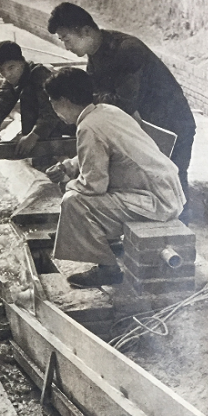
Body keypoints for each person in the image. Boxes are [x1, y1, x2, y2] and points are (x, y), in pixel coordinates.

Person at [47, 2, 196, 215]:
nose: (66, 46)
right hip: (142, 128)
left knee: (173, 186)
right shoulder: (95, 57)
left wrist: (82, 98)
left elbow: (124, 104)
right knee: (144, 189)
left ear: (86, 31)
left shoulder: (128, 50)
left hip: (171, 125)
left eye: (66, 39)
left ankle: (183, 234)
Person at [43, 68, 185, 288]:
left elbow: (94, 186)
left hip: (156, 201)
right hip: (165, 189)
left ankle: (107, 270)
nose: (55, 111)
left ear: (64, 101)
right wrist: (69, 166)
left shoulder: (88, 127)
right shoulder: (106, 111)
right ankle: (105, 243)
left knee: (73, 201)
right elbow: (101, 152)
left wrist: (66, 182)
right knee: (83, 194)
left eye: (53, 104)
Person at [0, 40, 73, 169]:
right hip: (43, 135)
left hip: (63, 130)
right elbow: (4, 96)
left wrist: (33, 136)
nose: (6, 74)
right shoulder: (16, 76)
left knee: (56, 168)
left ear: (21, 62)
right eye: (1, 69)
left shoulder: (40, 75)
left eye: (11, 67)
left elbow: (51, 112)